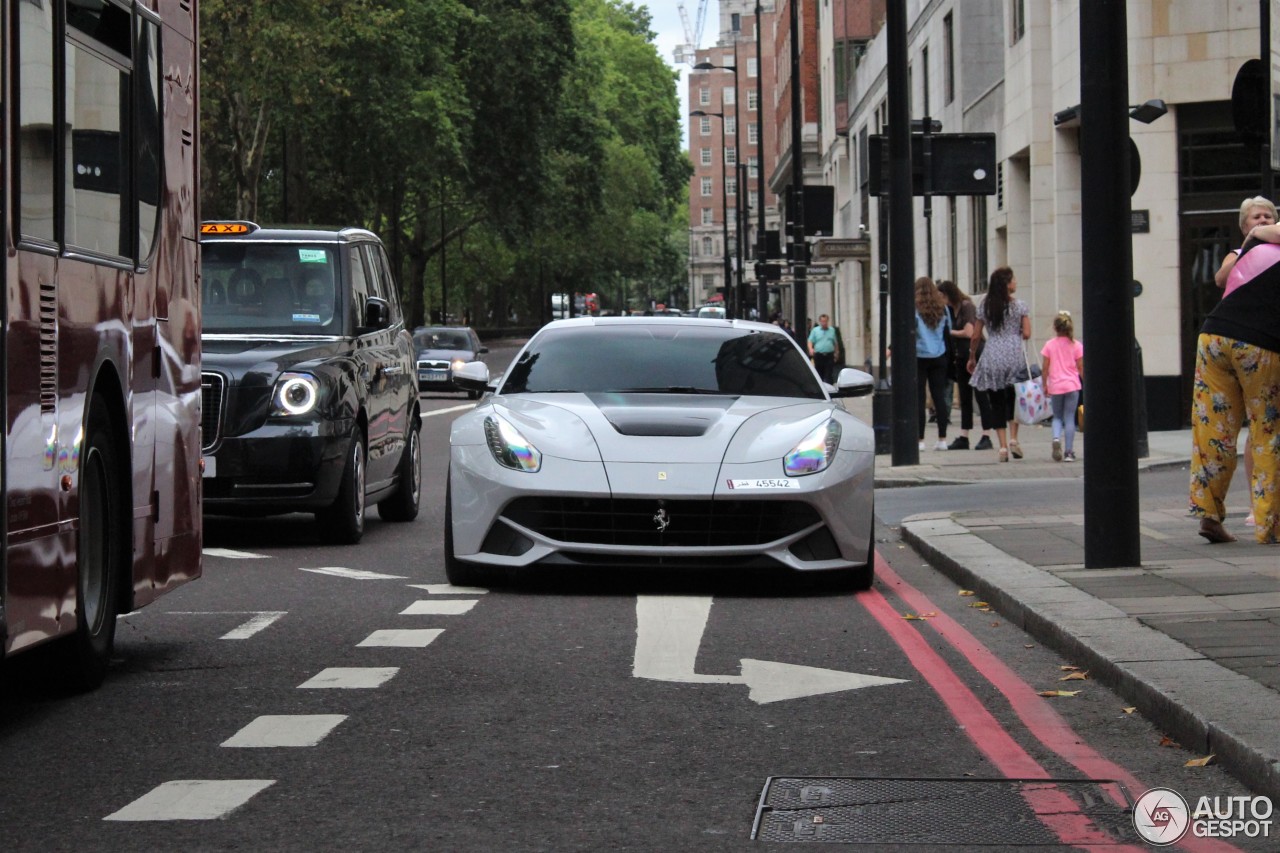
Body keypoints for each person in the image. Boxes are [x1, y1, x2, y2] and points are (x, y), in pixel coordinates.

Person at [1190, 216, 1280, 544]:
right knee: (1267, 429)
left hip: (1213, 335)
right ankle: (1270, 523)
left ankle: (1209, 515)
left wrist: (1255, 231)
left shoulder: (1258, 247)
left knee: (1213, 428)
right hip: (1258, 344)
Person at [1211, 196, 1277, 527]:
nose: (1262, 220)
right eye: (1255, 217)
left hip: (1267, 346)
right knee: (1258, 427)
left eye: (1268, 215)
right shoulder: (1238, 254)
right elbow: (1221, 279)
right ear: (1243, 226)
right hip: (1246, 348)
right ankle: (1258, 506)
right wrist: (1249, 248)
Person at [966, 267, 1031, 463]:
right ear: (1006, 283)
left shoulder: (985, 306)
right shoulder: (1019, 306)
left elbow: (976, 335)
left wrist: (972, 356)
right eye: (1013, 279)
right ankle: (1013, 439)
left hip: (992, 353)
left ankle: (1002, 447)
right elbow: (1027, 333)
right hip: (1013, 354)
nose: (1016, 282)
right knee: (1013, 398)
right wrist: (1016, 330)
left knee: (996, 402)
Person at [937, 280, 992, 451]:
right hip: (960, 357)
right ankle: (964, 435)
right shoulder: (951, 311)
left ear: (948, 294)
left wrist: (948, 332)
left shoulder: (967, 306)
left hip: (975, 354)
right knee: (964, 397)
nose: (940, 300)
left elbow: (970, 332)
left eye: (941, 296)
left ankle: (986, 435)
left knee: (981, 395)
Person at [1040, 311, 1084, 462]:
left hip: (1056, 386)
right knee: (1070, 418)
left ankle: (1056, 438)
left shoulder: (1049, 345)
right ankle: (1069, 452)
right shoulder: (1076, 345)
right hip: (1072, 385)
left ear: (1055, 327)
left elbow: (1045, 368)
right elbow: (1081, 368)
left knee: (1057, 417)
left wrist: (1044, 385)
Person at [914, 278, 951, 451]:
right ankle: (942, 439)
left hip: (919, 356)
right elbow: (947, 333)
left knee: (919, 399)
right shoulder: (942, 309)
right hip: (939, 356)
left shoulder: (915, 309)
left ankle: (920, 440)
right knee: (939, 398)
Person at [808, 314, 840, 383]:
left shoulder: (832, 330)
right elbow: (810, 341)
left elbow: (835, 343)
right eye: (822, 321)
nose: (824, 323)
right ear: (820, 322)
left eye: (825, 321)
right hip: (819, 355)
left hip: (829, 355)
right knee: (819, 374)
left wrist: (836, 353)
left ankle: (829, 389)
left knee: (829, 374)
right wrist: (811, 349)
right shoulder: (815, 330)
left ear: (827, 321)